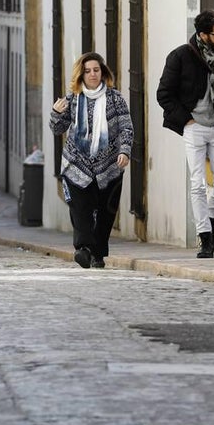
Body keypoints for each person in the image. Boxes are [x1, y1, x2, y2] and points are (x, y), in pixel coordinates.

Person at [156, 8, 214, 259]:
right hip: (194, 127)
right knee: (197, 183)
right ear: (203, 34)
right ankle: (205, 238)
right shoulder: (180, 56)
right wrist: (185, 120)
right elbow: (163, 94)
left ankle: (211, 218)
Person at [49, 52, 133, 269]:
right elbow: (57, 129)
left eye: (96, 70)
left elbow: (126, 127)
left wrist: (124, 151)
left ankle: (97, 254)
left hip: (109, 167)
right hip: (76, 166)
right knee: (81, 210)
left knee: (106, 213)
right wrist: (56, 114)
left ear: (103, 72)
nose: (92, 74)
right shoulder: (72, 99)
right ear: (81, 75)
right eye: (87, 71)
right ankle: (83, 249)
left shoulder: (115, 99)